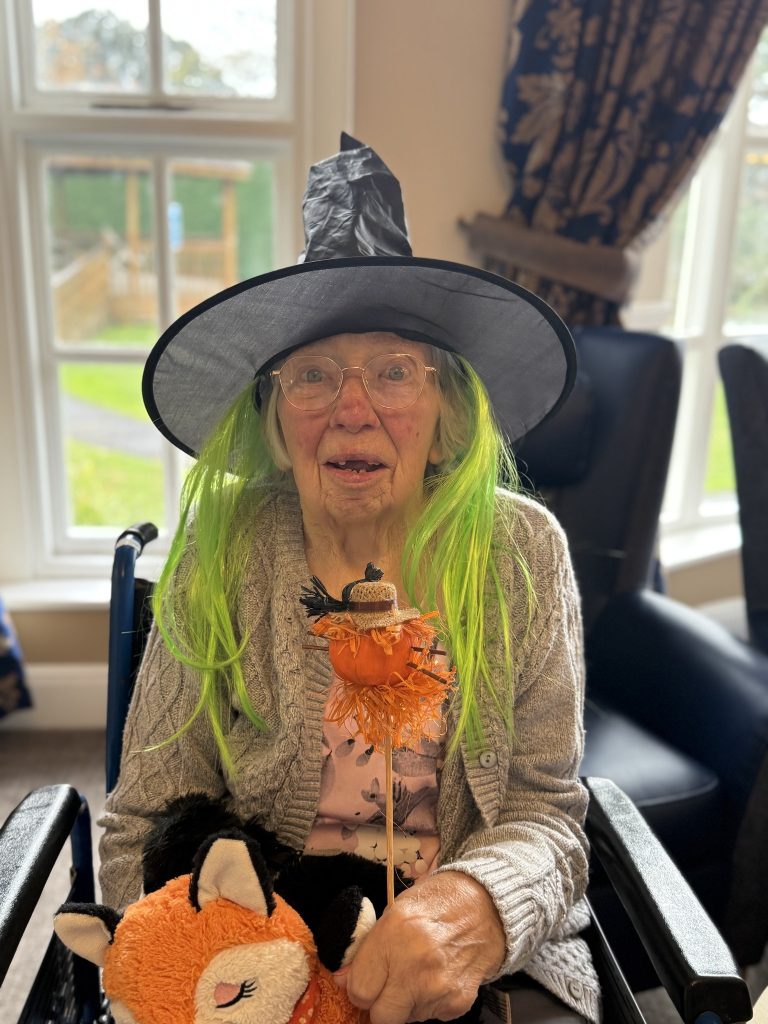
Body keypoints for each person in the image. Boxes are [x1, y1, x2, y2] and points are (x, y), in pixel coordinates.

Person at [99, 134, 600, 1024]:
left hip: (476, 973)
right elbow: (144, 818)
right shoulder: (223, 553)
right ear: (273, 418)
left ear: (448, 415)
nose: (353, 409)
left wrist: (476, 906)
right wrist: (239, 964)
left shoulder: (524, 552)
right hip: (257, 972)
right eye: (314, 376)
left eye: (395, 372)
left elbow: (549, 815)